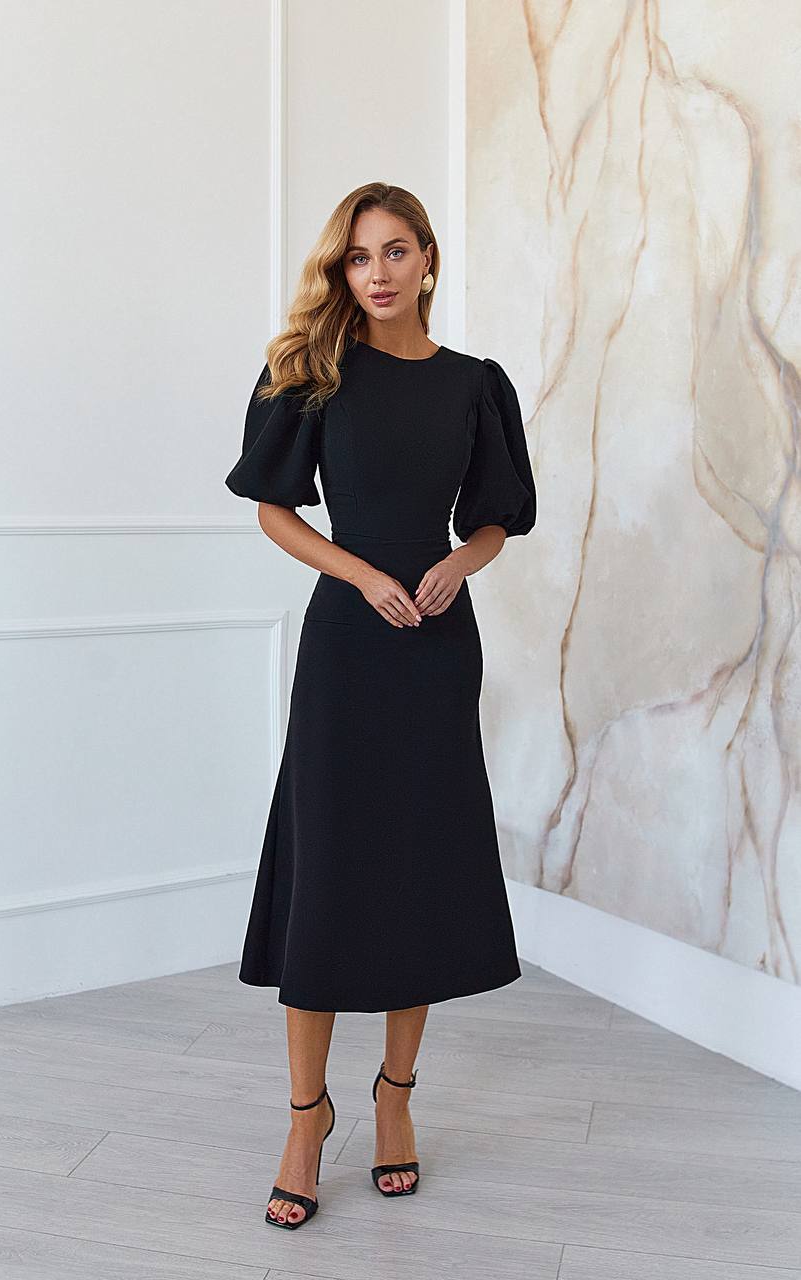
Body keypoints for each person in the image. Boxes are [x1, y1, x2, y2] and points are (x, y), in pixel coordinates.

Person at [224, 181, 537, 1230]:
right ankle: (304, 1117)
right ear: (341, 271)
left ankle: (394, 1099)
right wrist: (361, 574)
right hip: (350, 644)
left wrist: (460, 563)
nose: (379, 272)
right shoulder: (309, 374)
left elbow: (495, 518)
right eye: (360, 258)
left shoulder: (472, 385)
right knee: (327, 872)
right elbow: (274, 509)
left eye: (397, 251)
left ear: (429, 259)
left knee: (417, 870)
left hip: (437, 646)